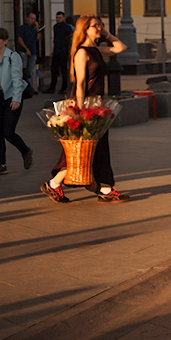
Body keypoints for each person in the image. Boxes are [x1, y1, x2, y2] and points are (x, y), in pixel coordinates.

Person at [41, 16, 128, 203]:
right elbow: (80, 83)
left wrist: (106, 33)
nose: (99, 28)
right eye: (95, 26)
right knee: (78, 149)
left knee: (95, 148)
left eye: (100, 25)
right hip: (86, 107)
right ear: (85, 29)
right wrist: (79, 112)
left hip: (96, 106)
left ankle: (103, 188)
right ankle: (57, 184)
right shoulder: (82, 52)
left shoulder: (95, 49)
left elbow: (121, 48)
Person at [0, 27, 33, 177]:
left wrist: (17, 99)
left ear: (5, 41)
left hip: (11, 97)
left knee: (8, 132)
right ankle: (1, 164)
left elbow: (17, 79)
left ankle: (25, 150)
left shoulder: (13, 56)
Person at [47, 12, 73, 93]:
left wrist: (69, 48)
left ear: (63, 18)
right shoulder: (55, 27)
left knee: (63, 70)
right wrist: (53, 50)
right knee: (54, 69)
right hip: (57, 51)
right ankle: (52, 87)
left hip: (64, 51)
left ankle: (64, 87)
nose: (58, 19)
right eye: (57, 17)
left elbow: (72, 36)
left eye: (60, 17)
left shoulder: (67, 27)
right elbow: (55, 39)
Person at [16, 11, 40, 91]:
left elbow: (38, 39)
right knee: (24, 70)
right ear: (27, 19)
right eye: (31, 19)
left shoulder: (33, 29)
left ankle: (30, 87)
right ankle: (24, 87)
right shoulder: (22, 28)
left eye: (34, 19)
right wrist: (26, 49)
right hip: (24, 51)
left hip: (32, 51)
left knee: (31, 70)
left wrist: (37, 29)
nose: (33, 21)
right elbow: (20, 39)